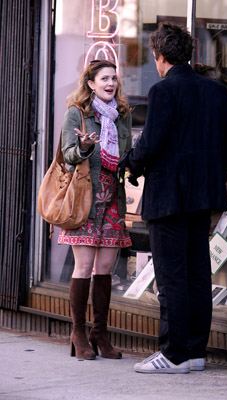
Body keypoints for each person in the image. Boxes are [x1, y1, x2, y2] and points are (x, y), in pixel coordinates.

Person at [118, 22, 227, 374]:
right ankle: (196, 352)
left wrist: (131, 166)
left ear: (160, 56)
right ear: (189, 54)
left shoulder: (163, 92)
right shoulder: (217, 92)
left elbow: (150, 144)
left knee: (171, 278)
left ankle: (173, 354)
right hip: (203, 197)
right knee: (199, 275)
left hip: (168, 197)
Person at [58, 59, 132, 360]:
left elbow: (126, 154)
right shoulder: (76, 114)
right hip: (86, 198)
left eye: (114, 78)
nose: (110, 83)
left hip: (112, 196)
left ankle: (100, 332)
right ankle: (78, 331)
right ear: (91, 83)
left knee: (105, 270)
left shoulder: (122, 116)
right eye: (104, 79)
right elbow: (68, 155)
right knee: (84, 268)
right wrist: (85, 147)